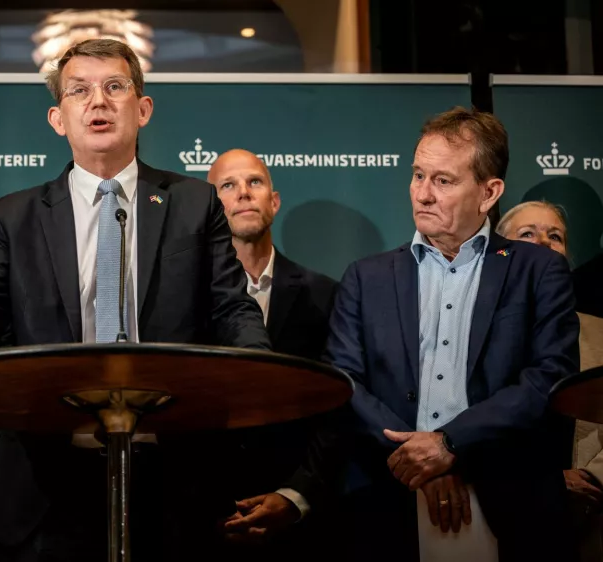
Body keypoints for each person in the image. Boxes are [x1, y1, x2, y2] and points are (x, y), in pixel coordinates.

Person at [0, 39, 270, 561]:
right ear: (58, 118)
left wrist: (259, 366)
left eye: (114, 87)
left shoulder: (194, 202)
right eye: (80, 91)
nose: (98, 101)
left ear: (142, 108)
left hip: (171, 474)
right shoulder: (15, 215)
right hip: (48, 477)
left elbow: (231, 306)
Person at [325, 107, 580, 562]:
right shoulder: (366, 277)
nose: (422, 194)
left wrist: (450, 445)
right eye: (418, 175)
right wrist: (419, 461)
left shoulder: (539, 270)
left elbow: (550, 378)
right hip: (389, 502)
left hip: (510, 498)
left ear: (489, 192)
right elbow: (343, 382)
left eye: (443, 181)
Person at [205, 149, 344, 556]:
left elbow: (337, 407)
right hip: (201, 520)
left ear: (274, 200)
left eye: (255, 182)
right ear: (210, 210)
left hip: (300, 522)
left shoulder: (325, 294)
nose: (244, 193)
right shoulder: (182, 298)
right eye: (227, 186)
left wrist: (296, 494)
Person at [496, 200, 603, 562]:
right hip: (493, 513)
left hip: (590, 518)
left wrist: (594, 478)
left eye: (554, 236)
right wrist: (550, 485)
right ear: (498, 250)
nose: (543, 242)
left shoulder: (601, 334)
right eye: (528, 234)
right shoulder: (470, 329)